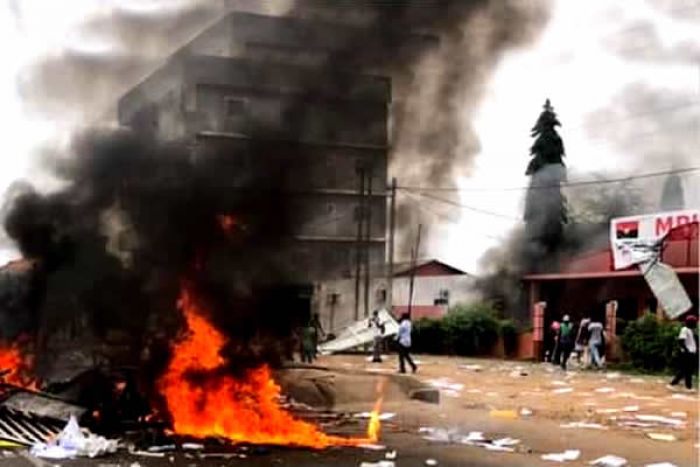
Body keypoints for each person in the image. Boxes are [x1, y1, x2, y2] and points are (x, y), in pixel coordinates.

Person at [668, 315, 698, 391]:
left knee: (687, 370)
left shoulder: (690, 330)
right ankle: (686, 386)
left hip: (691, 353)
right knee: (686, 370)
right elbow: (681, 341)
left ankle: (676, 384)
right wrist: (686, 350)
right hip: (687, 353)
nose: (695, 324)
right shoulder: (684, 329)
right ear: (690, 323)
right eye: (694, 322)